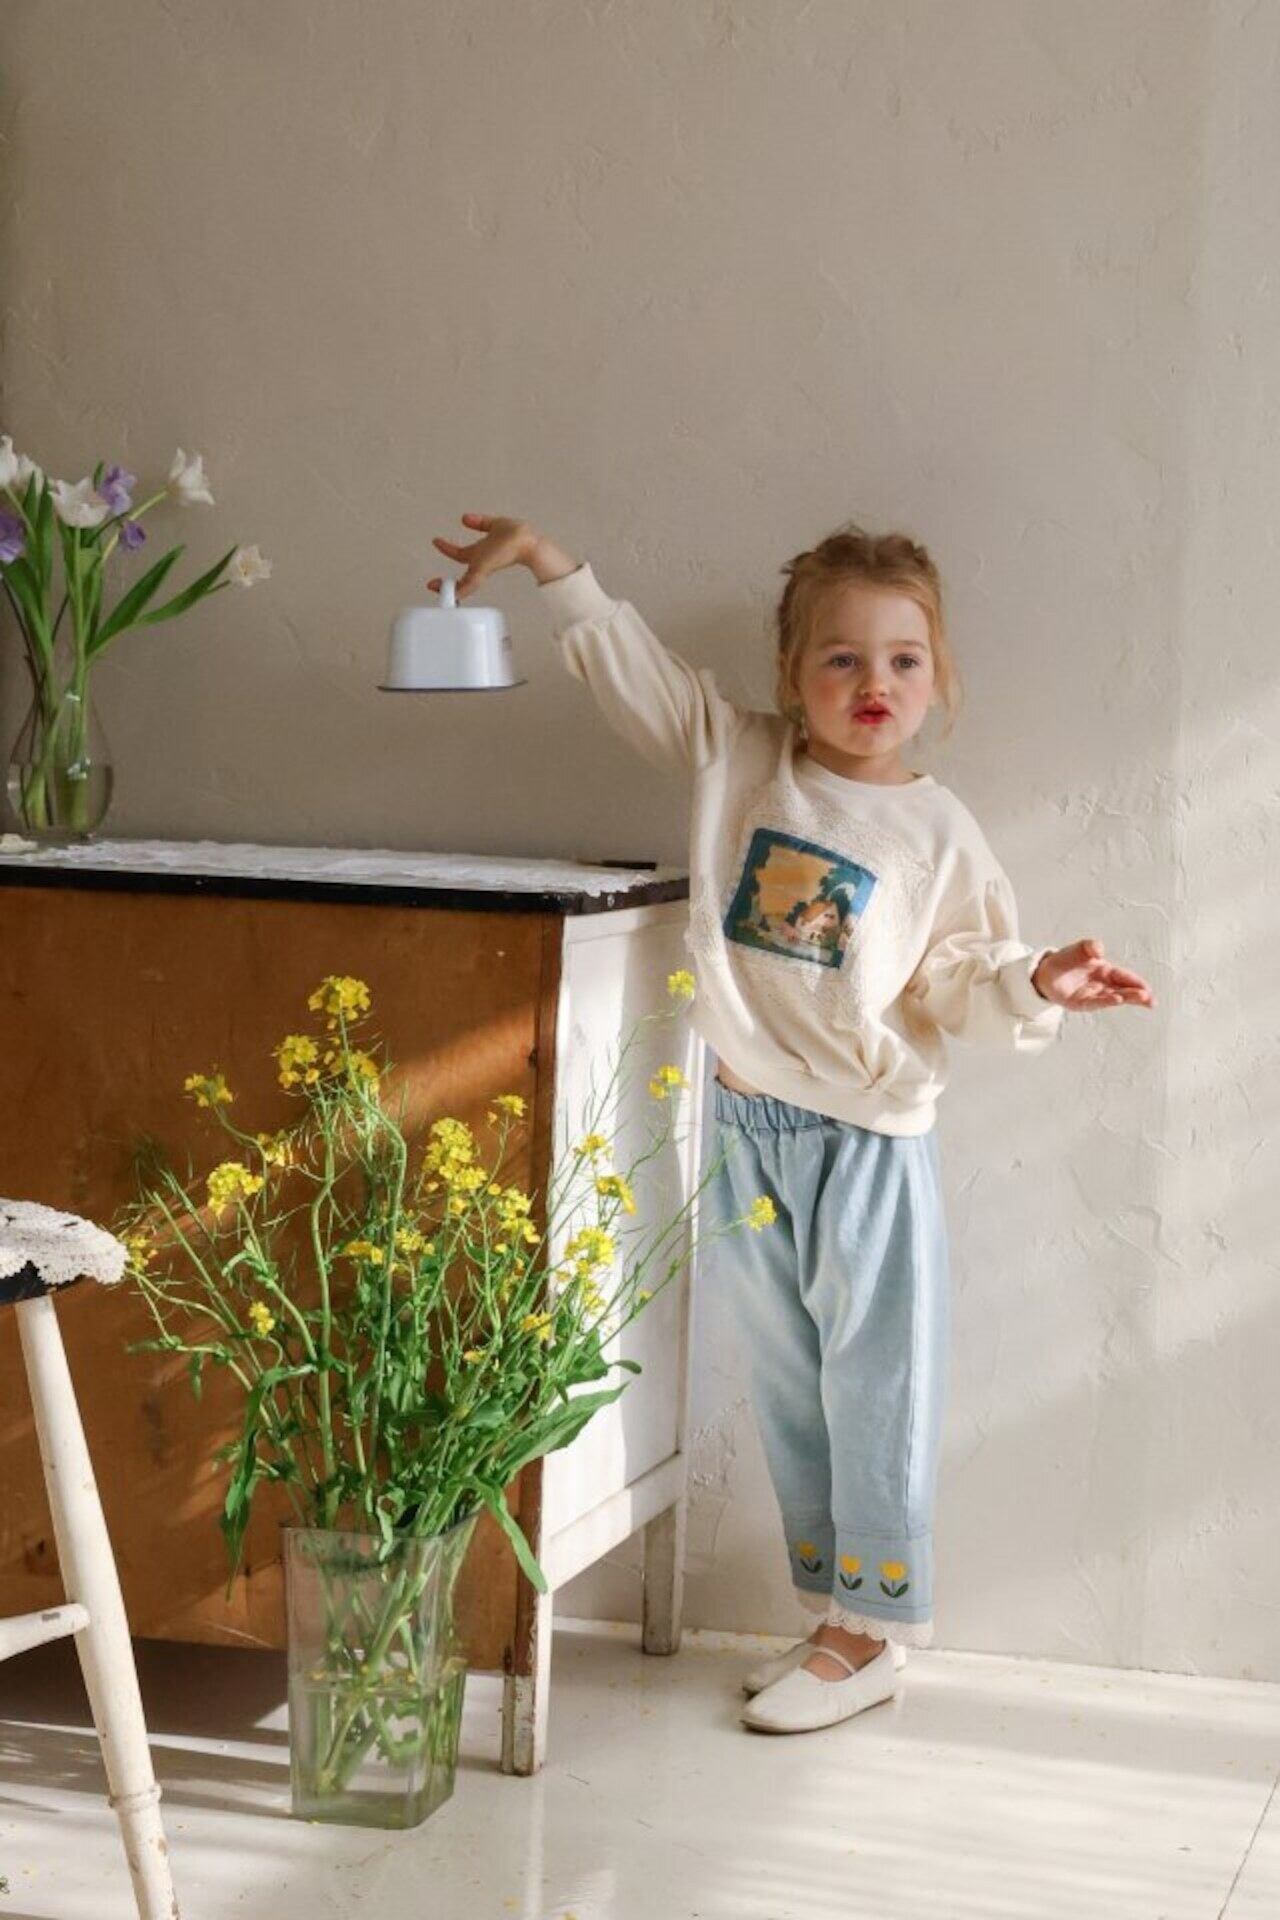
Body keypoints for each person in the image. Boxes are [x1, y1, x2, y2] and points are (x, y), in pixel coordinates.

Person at [427, 513, 1156, 1735]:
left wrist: (1039, 979)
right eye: (841, 657)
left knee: (876, 1382)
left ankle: (871, 1632)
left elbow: (957, 972)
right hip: (744, 1127)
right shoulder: (740, 759)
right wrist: (556, 567)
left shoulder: (937, 831)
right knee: (787, 1385)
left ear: (937, 676)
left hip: (865, 1141)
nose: (874, 682)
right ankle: (833, 1619)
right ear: (790, 673)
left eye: (903, 659)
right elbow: (640, 681)